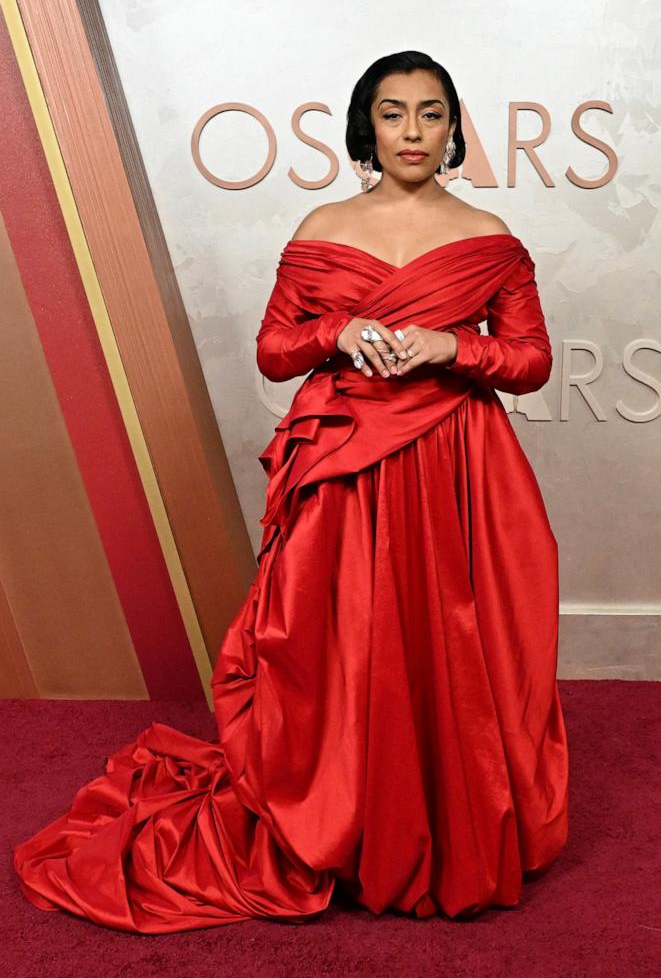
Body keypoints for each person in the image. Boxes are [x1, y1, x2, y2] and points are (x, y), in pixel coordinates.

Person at [13, 50, 569, 934]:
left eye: (431, 114)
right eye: (394, 114)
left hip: (455, 466)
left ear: (454, 127)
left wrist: (448, 348)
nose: (414, 132)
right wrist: (338, 329)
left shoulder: (491, 237)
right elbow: (276, 351)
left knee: (450, 642)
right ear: (367, 127)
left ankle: (444, 819)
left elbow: (533, 361)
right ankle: (342, 819)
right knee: (334, 642)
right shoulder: (321, 228)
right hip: (346, 463)